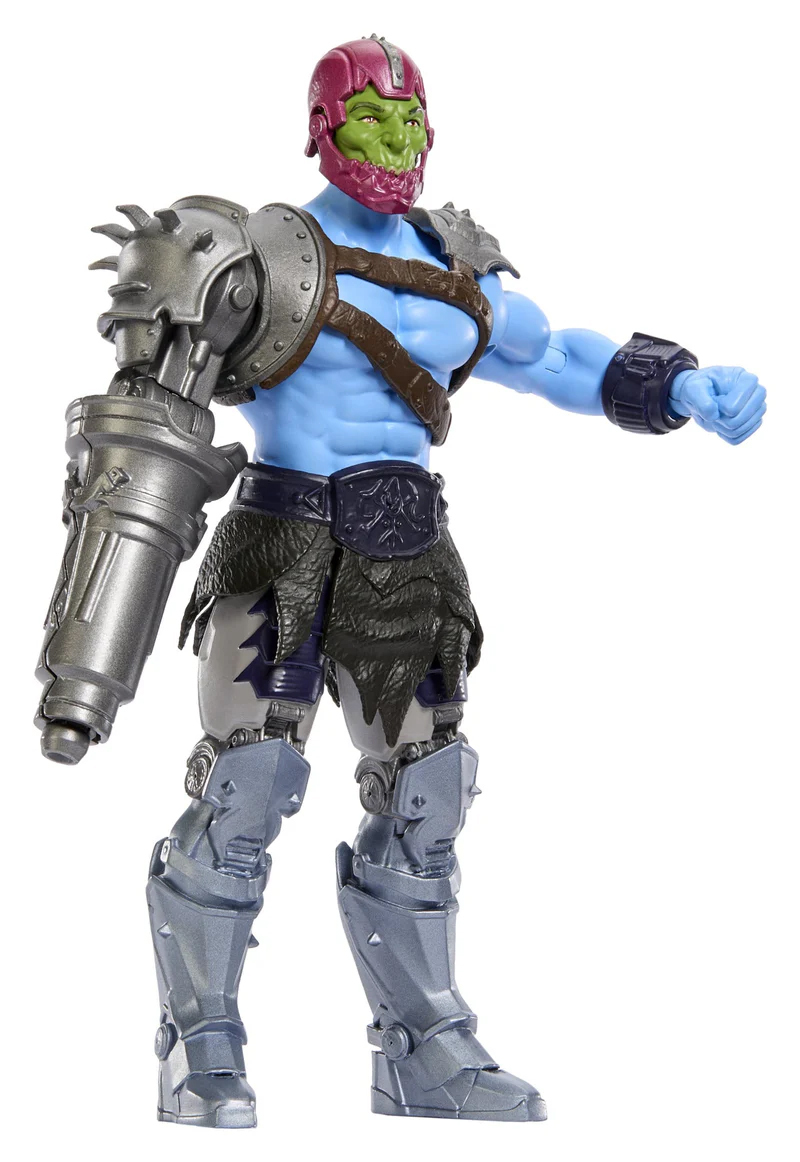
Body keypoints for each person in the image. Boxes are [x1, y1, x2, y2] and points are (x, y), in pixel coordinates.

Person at [35, 35, 766, 1127]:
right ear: (322, 130)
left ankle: (422, 1050)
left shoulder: (453, 267)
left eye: (408, 124)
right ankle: (199, 1040)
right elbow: (144, 430)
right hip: (282, 544)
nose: (392, 144)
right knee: (247, 785)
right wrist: (92, 642)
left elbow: (551, 357)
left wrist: (677, 388)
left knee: (427, 795)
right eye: (371, 123)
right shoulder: (251, 257)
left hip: (408, 550)